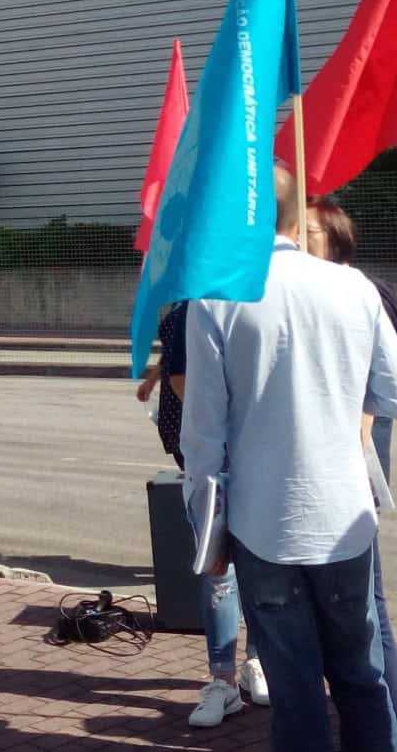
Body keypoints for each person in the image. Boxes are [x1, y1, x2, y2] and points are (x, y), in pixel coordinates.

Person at [181, 165, 397, 752]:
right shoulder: (356, 288)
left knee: (294, 690)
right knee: (362, 678)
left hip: (263, 527)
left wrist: (206, 536)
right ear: (297, 216)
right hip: (344, 521)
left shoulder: (216, 300)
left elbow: (202, 438)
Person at [136, 301, 268, 726]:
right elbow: (181, 382)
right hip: (211, 468)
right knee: (219, 573)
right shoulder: (188, 315)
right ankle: (223, 680)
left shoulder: (266, 304)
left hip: (262, 461)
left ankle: (256, 663)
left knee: (260, 567)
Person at [307, 197, 397, 746]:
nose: (300, 241)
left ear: (336, 239)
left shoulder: (365, 291)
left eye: (312, 234)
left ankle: (389, 729)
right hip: (324, 476)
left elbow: (385, 387)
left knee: (370, 610)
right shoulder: (310, 292)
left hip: (352, 475)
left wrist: (357, 429)